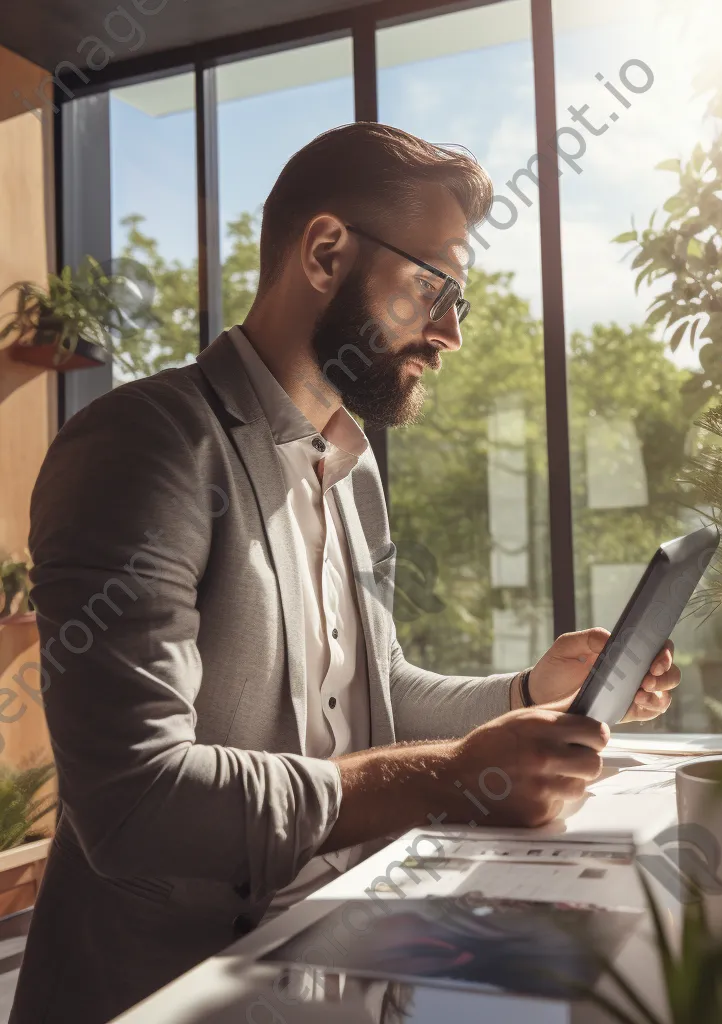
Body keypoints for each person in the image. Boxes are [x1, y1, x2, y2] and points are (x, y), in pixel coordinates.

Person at [12, 123, 679, 1024]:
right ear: (325, 252)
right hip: (179, 992)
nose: (449, 334)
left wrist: (527, 690)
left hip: (350, 944)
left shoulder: (351, 467)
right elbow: (136, 800)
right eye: (432, 288)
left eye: (459, 302)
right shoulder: (145, 447)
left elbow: (370, 699)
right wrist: (446, 778)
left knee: (636, 969)